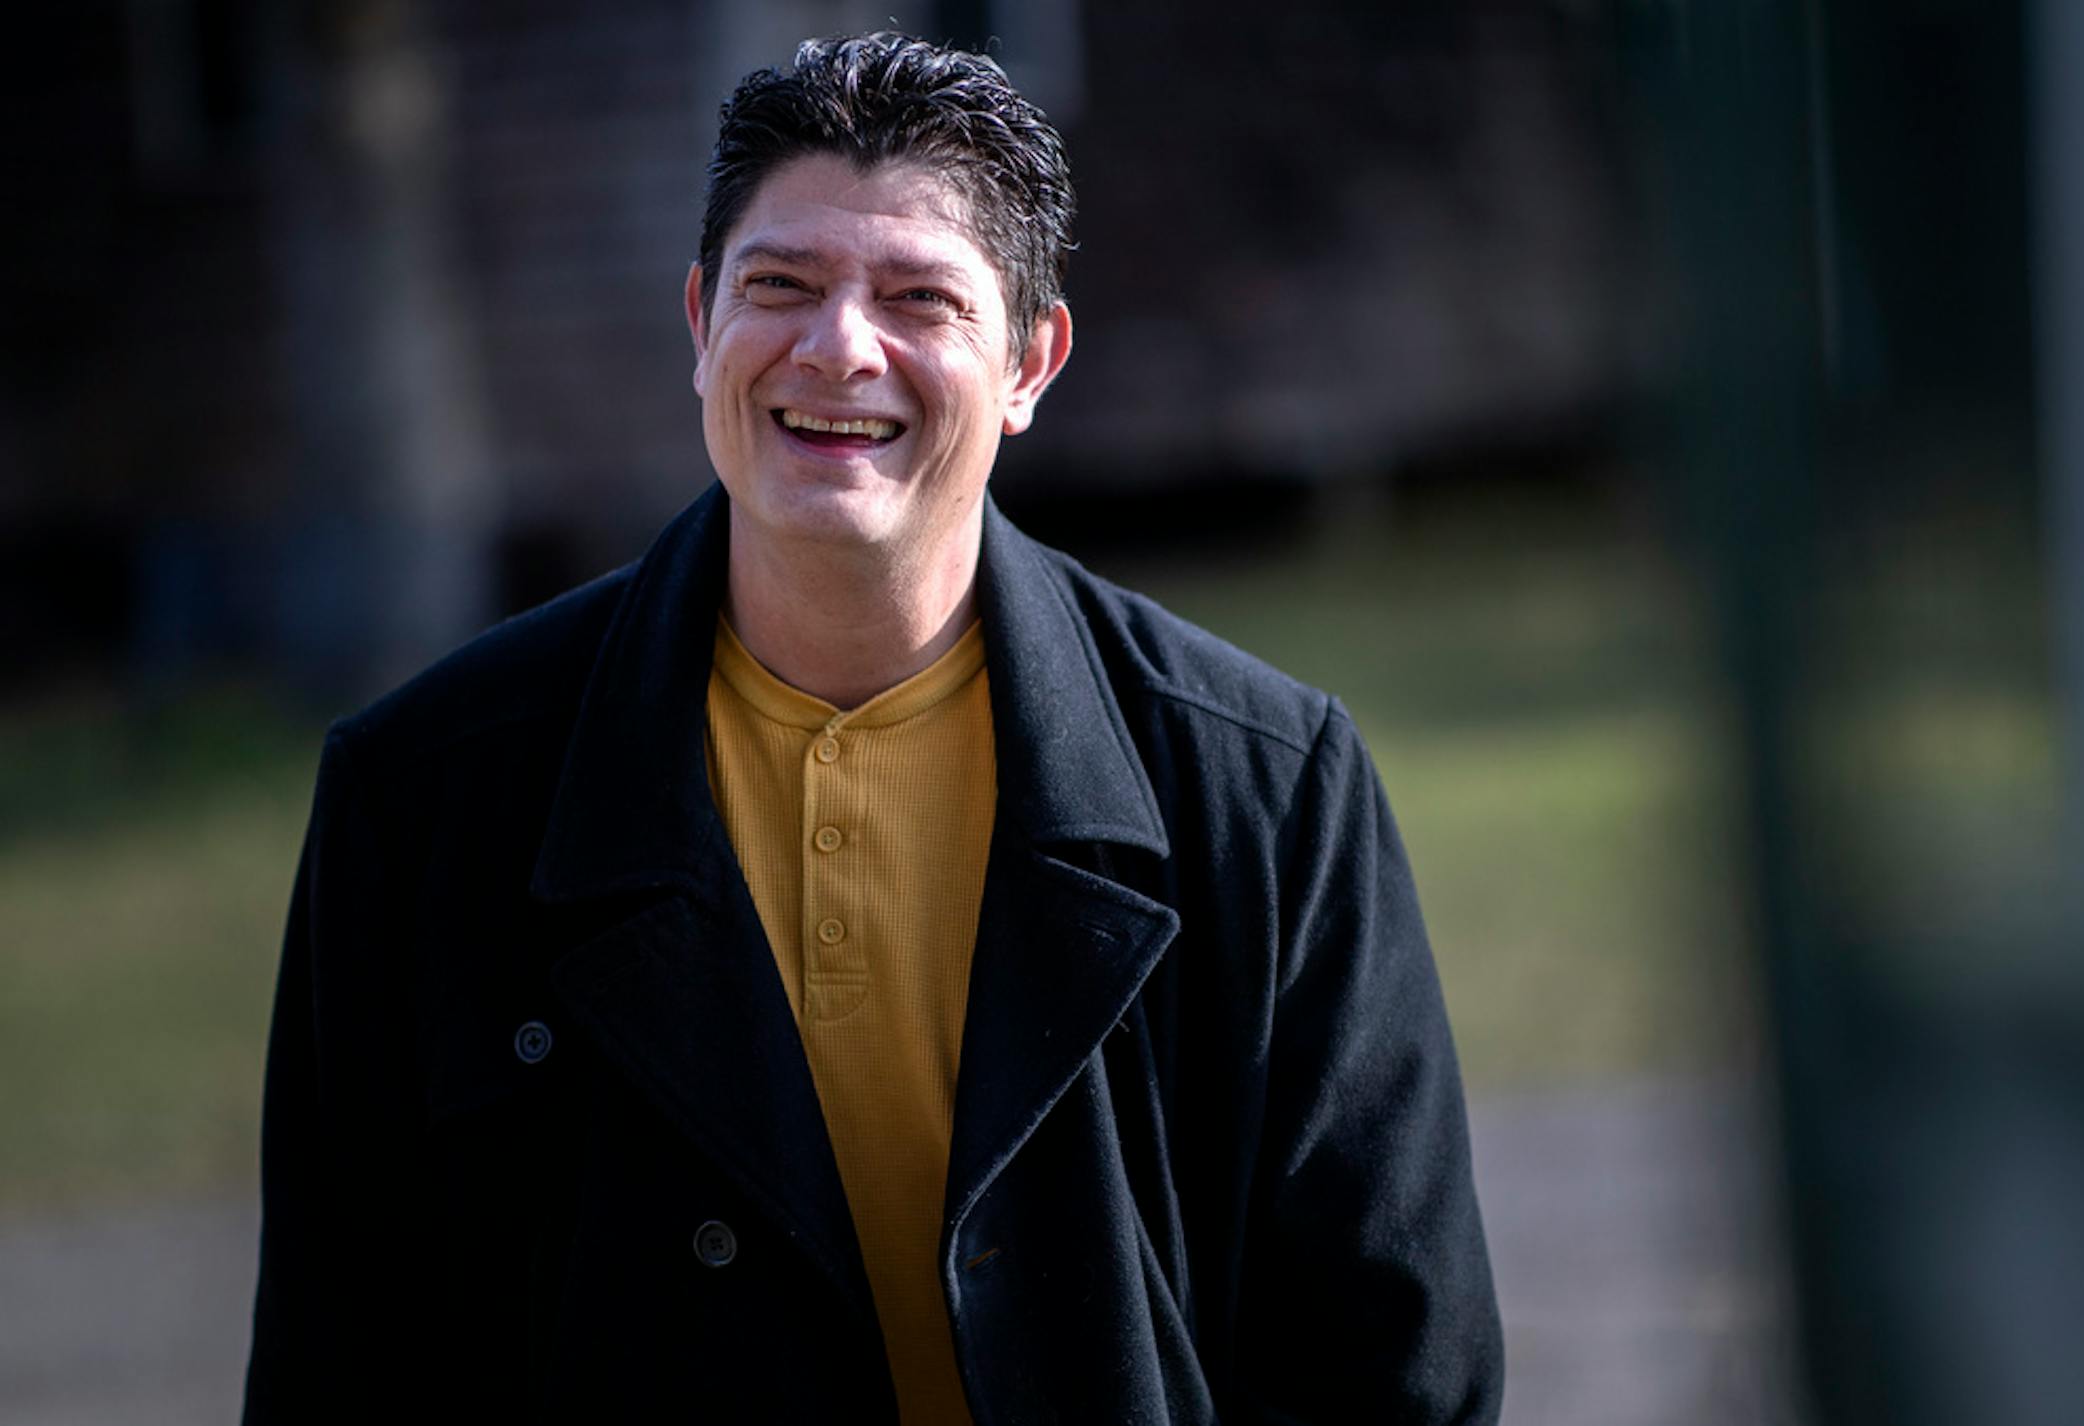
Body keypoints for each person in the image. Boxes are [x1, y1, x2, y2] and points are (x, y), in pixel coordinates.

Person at [243, 31, 1501, 1425]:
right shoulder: (421, 802)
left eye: (919, 296)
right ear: (698, 322)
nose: (839, 345)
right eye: (780, 283)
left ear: (1033, 360)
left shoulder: (1267, 792)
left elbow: (1397, 1368)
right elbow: (338, 1367)